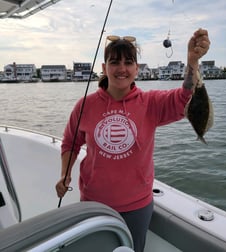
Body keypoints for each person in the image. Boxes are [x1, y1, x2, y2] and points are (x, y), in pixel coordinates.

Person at [56, 28, 210, 252]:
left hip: (137, 205)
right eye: (114, 62)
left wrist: (192, 62)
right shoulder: (84, 106)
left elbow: (184, 97)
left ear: (136, 69)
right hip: (93, 202)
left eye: (129, 62)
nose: (122, 68)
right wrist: (65, 174)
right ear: (104, 68)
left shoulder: (151, 103)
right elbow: (70, 142)